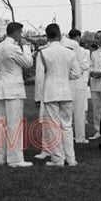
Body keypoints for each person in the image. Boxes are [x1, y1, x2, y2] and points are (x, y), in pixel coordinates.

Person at [38, 23, 81, 167]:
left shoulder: (44, 52)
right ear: (60, 33)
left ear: (47, 35)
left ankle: (58, 159)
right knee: (67, 126)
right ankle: (71, 158)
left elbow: (44, 73)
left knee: (54, 126)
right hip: (65, 90)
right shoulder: (69, 52)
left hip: (51, 91)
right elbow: (76, 73)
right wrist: (64, 76)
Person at [0, 22, 33, 167]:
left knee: (2, 124)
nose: (21, 36)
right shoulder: (13, 47)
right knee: (14, 124)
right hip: (13, 89)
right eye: (20, 33)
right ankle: (15, 158)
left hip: (1, 88)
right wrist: (27, 47)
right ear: (16, 33)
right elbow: (28, 62)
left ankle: (2, 156)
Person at [62, 29, 90, 144]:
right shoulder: (79, 48)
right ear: (78, 37)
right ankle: (79, 137)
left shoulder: (63, 46)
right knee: (78, 111)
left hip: (71, 81)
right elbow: (85, 65)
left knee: (68, 111)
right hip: (75, 81)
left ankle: (75, 136)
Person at [88, 30, 101, 140]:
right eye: (96, 38)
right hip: (95, 83)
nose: (97, 40)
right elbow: (90, 66)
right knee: (96, 108)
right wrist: (92, 72)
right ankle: (98, 130)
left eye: (99, 38)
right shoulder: (93, 53)